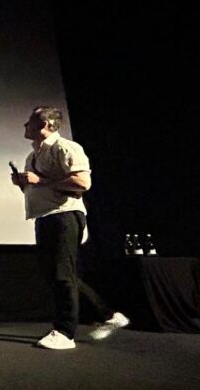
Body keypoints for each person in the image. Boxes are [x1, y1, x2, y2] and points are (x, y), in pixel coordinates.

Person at [11, 107, 129, 350]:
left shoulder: (66, 147)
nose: (25, 126)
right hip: (44, 217)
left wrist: (39, 181)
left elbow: (83, 183)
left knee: (63, 274)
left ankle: (65, 333)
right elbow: (39, 188)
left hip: (64, 217)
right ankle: (108, 315)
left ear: (44, 125)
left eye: (29, 122)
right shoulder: (31, 156)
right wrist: (24, 184)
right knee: (60, 273)